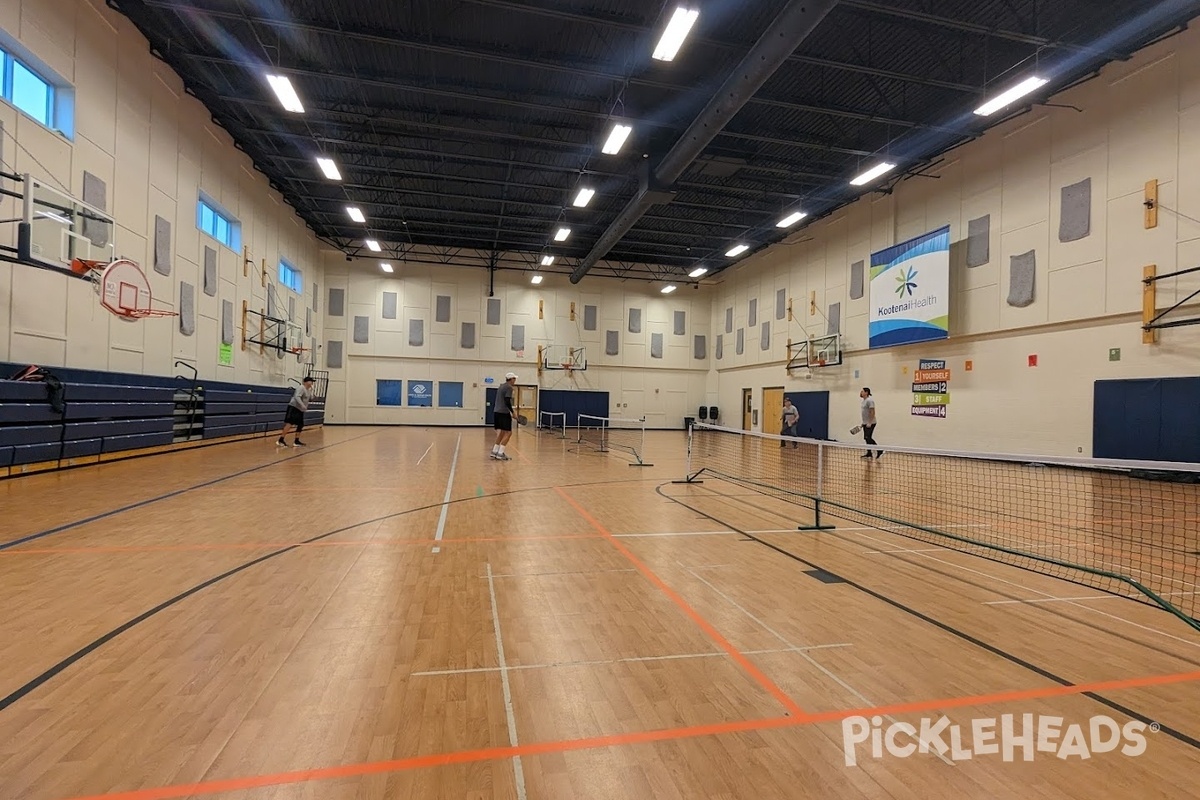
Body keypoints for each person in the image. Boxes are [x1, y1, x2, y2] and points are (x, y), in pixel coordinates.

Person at [278, 376, 315, 447]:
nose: (311, 383)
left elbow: (311, 398)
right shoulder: (301, 388)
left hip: (300, 410)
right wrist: (302, 405)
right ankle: (281, 439)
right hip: (294, 407)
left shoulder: (309, 390)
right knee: (289, 423)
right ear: (306, 382)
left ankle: (296, 441)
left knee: (300, 424)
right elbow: (297, 397)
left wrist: (312, 391)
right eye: (310, 381)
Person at [491, 372, 518, 460]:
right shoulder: (509, 387)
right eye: (514, 379)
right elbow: (507, 401)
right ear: (511, 379)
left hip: (496, 412)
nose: (515, 380)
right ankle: (500, 453)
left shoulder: (501, 386)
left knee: (502, 432)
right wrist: (513, 412)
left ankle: (494, 451)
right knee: (509, 433)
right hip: (503, 413)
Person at [859, 387, 882, 459]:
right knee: (866, 438)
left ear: (866, 392)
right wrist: (863, 423)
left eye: (862, 391)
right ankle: (869, 453)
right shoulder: (863, 401)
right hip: (865, 423)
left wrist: (869, 422)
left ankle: (879, 450)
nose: (861, 393)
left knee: (868, 437)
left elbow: (872, 412)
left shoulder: (870, 401)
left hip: (871, 423)